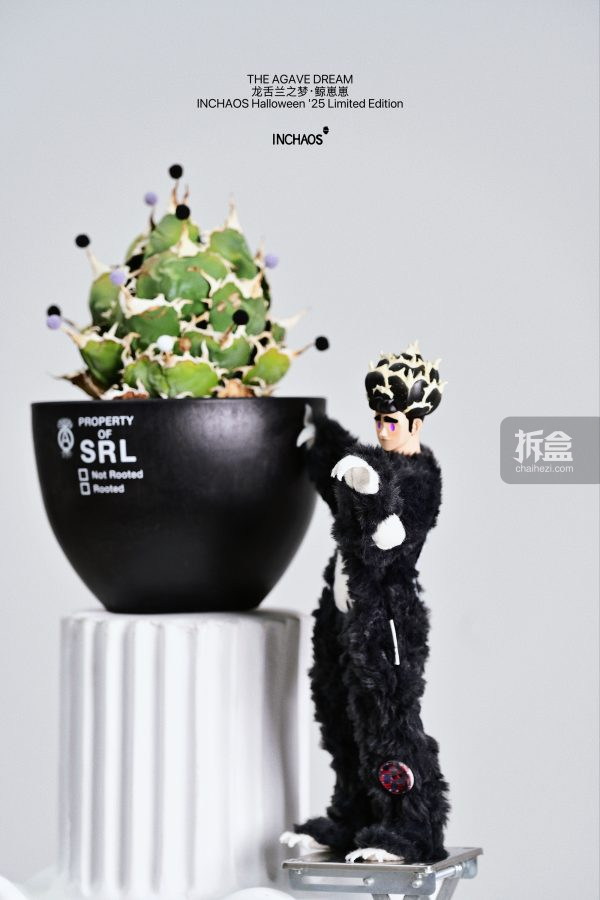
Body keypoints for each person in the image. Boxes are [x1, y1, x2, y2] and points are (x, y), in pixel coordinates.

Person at [281, 341, 450, 863]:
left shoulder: (419, 480)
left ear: (416, 421)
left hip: (386, 622)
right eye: (378, 418)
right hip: (343, 616)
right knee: (338, 711)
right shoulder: (370, 462)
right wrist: (322, 439)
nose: (382, 428)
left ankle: (409, 828)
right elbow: (342, 474)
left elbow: (384, 543)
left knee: (387, 719)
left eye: (391, 420)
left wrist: (372, 495)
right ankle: (353, 817)